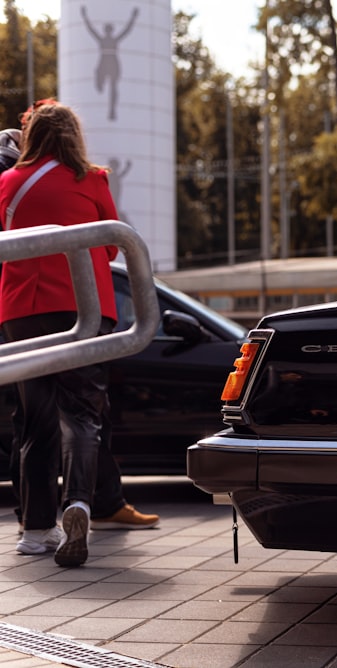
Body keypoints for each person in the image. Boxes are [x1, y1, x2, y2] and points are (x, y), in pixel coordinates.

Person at [0, 101, 155, 567]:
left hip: (23, 309)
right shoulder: (92, 179)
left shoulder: (7, 182)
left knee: (36, 421)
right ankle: (81, 504)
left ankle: (35, 532)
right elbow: (110, 245)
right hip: (84, 308)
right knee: (83, 417)